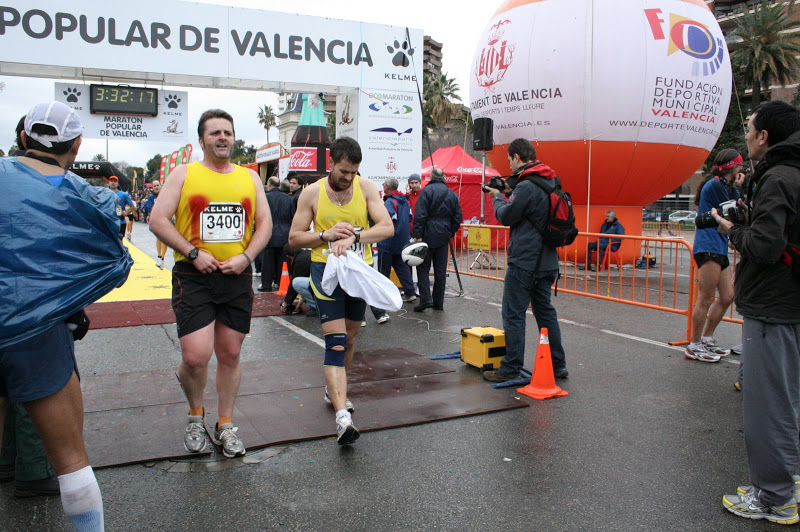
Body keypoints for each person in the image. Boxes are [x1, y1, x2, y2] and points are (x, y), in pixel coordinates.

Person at [0, 100, 132, 531]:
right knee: (71, 460)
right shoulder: (86, 196)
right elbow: (115, 251)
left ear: (22, 138)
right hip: (39, 333)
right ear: (76, 147)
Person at [149, 109, 271, 458]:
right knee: (195, 357)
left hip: (237, 275)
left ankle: (225, 423)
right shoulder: (184, 173)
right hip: (195, 276)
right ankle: (194, 416)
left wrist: (246, 258)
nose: (222, 138)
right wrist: (191, 253)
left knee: (230, 354)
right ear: (201, 139)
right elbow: (158, 220)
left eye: (228, 133)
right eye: (215, 132)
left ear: (234, 138)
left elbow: (265, 224)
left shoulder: (250, 178)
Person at [715, 101, 800, 525]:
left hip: (773, 305)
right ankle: (785, 481)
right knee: (787, 400)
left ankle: (774, 497)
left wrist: (735, 230)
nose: (745, 135)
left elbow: (765, 247)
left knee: (767, 405)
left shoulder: (778, 178)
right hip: (790, 304)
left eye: (748, 128)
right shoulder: (792, 173)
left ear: (764, 136)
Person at [288, 136, 393, 445]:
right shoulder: (311, 194)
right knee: (335, 342)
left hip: (358, 272)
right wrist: (325, 235)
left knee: (349, 340)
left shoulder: (366, 188)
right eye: (344, 171)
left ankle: (334, 389)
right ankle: (342, 418)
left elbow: (386, 227)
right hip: (326, 273)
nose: (349, 178)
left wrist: (355, 237)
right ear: (331, 164)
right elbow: (294, 238)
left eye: (354, 171)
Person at [0, 115, 59, 500]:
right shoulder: (49, 185)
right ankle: (35, 470)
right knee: (35, 385)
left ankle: (9, 462)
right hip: (32, 299)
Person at [482, 138, 569, 382]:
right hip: (548, 260)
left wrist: (498, 196)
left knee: (514, 313)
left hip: (525, 261)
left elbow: (507, 216)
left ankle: (510, 368)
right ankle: (558, 364)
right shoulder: (550, 179)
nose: (509, 165)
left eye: (510, 160)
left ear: (517, 157)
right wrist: (510, 190)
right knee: (545, 313)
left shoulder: (527, 186)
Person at [684, 149, 745, 363]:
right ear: (732, 166)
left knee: (727, 296)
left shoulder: (722, 185)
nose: (741, 169)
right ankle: (694, 344)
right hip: (708, 245)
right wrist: (737, 188)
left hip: (719, 246)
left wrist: (735, 187)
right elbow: (734, 211)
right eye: (739, 165)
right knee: (706, 298)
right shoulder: (717, 185)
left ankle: (707, 338)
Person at [411, 168, 462, 312]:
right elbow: (458, 217)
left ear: (431, 177)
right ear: (444, 177)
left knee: (423, 268)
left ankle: (426, 299)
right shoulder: (452, 194)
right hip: (443, 236)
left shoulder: (426, 192)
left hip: (427, 235)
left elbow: (420, 215)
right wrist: (450, 232)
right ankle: (438, 302)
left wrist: (417, 234)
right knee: (440, 270)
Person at [378, 177, 417, 304]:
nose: (383, 185)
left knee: (384, 270)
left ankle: (384, 295)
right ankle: (410, 292)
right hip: (402, 242)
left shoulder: (389, 202)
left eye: (384, 184)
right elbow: (410, 218)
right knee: (402, 267)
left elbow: (386, 220)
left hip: (388, 242)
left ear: (387, 187)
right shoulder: (405, 201)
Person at [260, 176, 293, 292]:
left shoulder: (265, 198)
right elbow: (292, 216)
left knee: (268, 260)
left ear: (269, 184)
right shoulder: (288, 198)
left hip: (269, 231)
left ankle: (266, 284)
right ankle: (281, 282)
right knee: (283, 260)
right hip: (285, 232)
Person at [144, 180, 168, 268]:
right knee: (159, 238)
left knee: (164, 239)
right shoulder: (151, 198)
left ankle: (162, 257)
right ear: (152, 188)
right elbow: (149, 207)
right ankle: (159, 256)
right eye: (154, 186)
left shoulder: (166, 196)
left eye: (158, 185)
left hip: (166, 219)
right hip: (156, 219)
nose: (156, 187)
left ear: (161, 186)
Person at [107, 175, 134, 241]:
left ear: (117, 183)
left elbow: (132, 207)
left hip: (120, 222)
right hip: (108, 221)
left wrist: (126, 212)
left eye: (115, 181)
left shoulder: (124, 194)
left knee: (119, 241)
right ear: (108, 182)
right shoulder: (104, 193)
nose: (113, 183)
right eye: (111, 181)